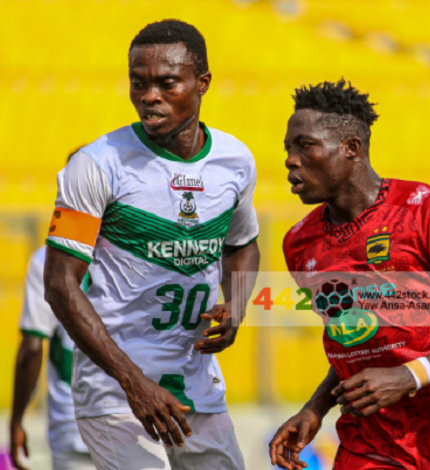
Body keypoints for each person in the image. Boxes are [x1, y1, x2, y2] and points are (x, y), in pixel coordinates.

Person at [43, 19, 260, 470]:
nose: (149, 96)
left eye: (166, 83)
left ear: (202, 83)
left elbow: (242, 245)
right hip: (117, 392)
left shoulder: (235, 160)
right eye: (138, 83)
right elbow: (60, 285)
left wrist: (237, 304)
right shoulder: (97, 164)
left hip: (198, 386)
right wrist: (133, 382)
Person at [269, 79, 430, 470]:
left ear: (351, 148)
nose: (290, 159)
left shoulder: (428, 211)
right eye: (288, 148)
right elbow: (358, 341)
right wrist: (317, 406)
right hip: (371, 447)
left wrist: (408, 376)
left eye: (305, 145)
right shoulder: (299, 244)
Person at [10, 245, 94, 470]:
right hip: (131, 419)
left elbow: (32, 348)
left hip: (72, 420)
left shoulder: (45, 256)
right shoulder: (133, 249)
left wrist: (17, 419)